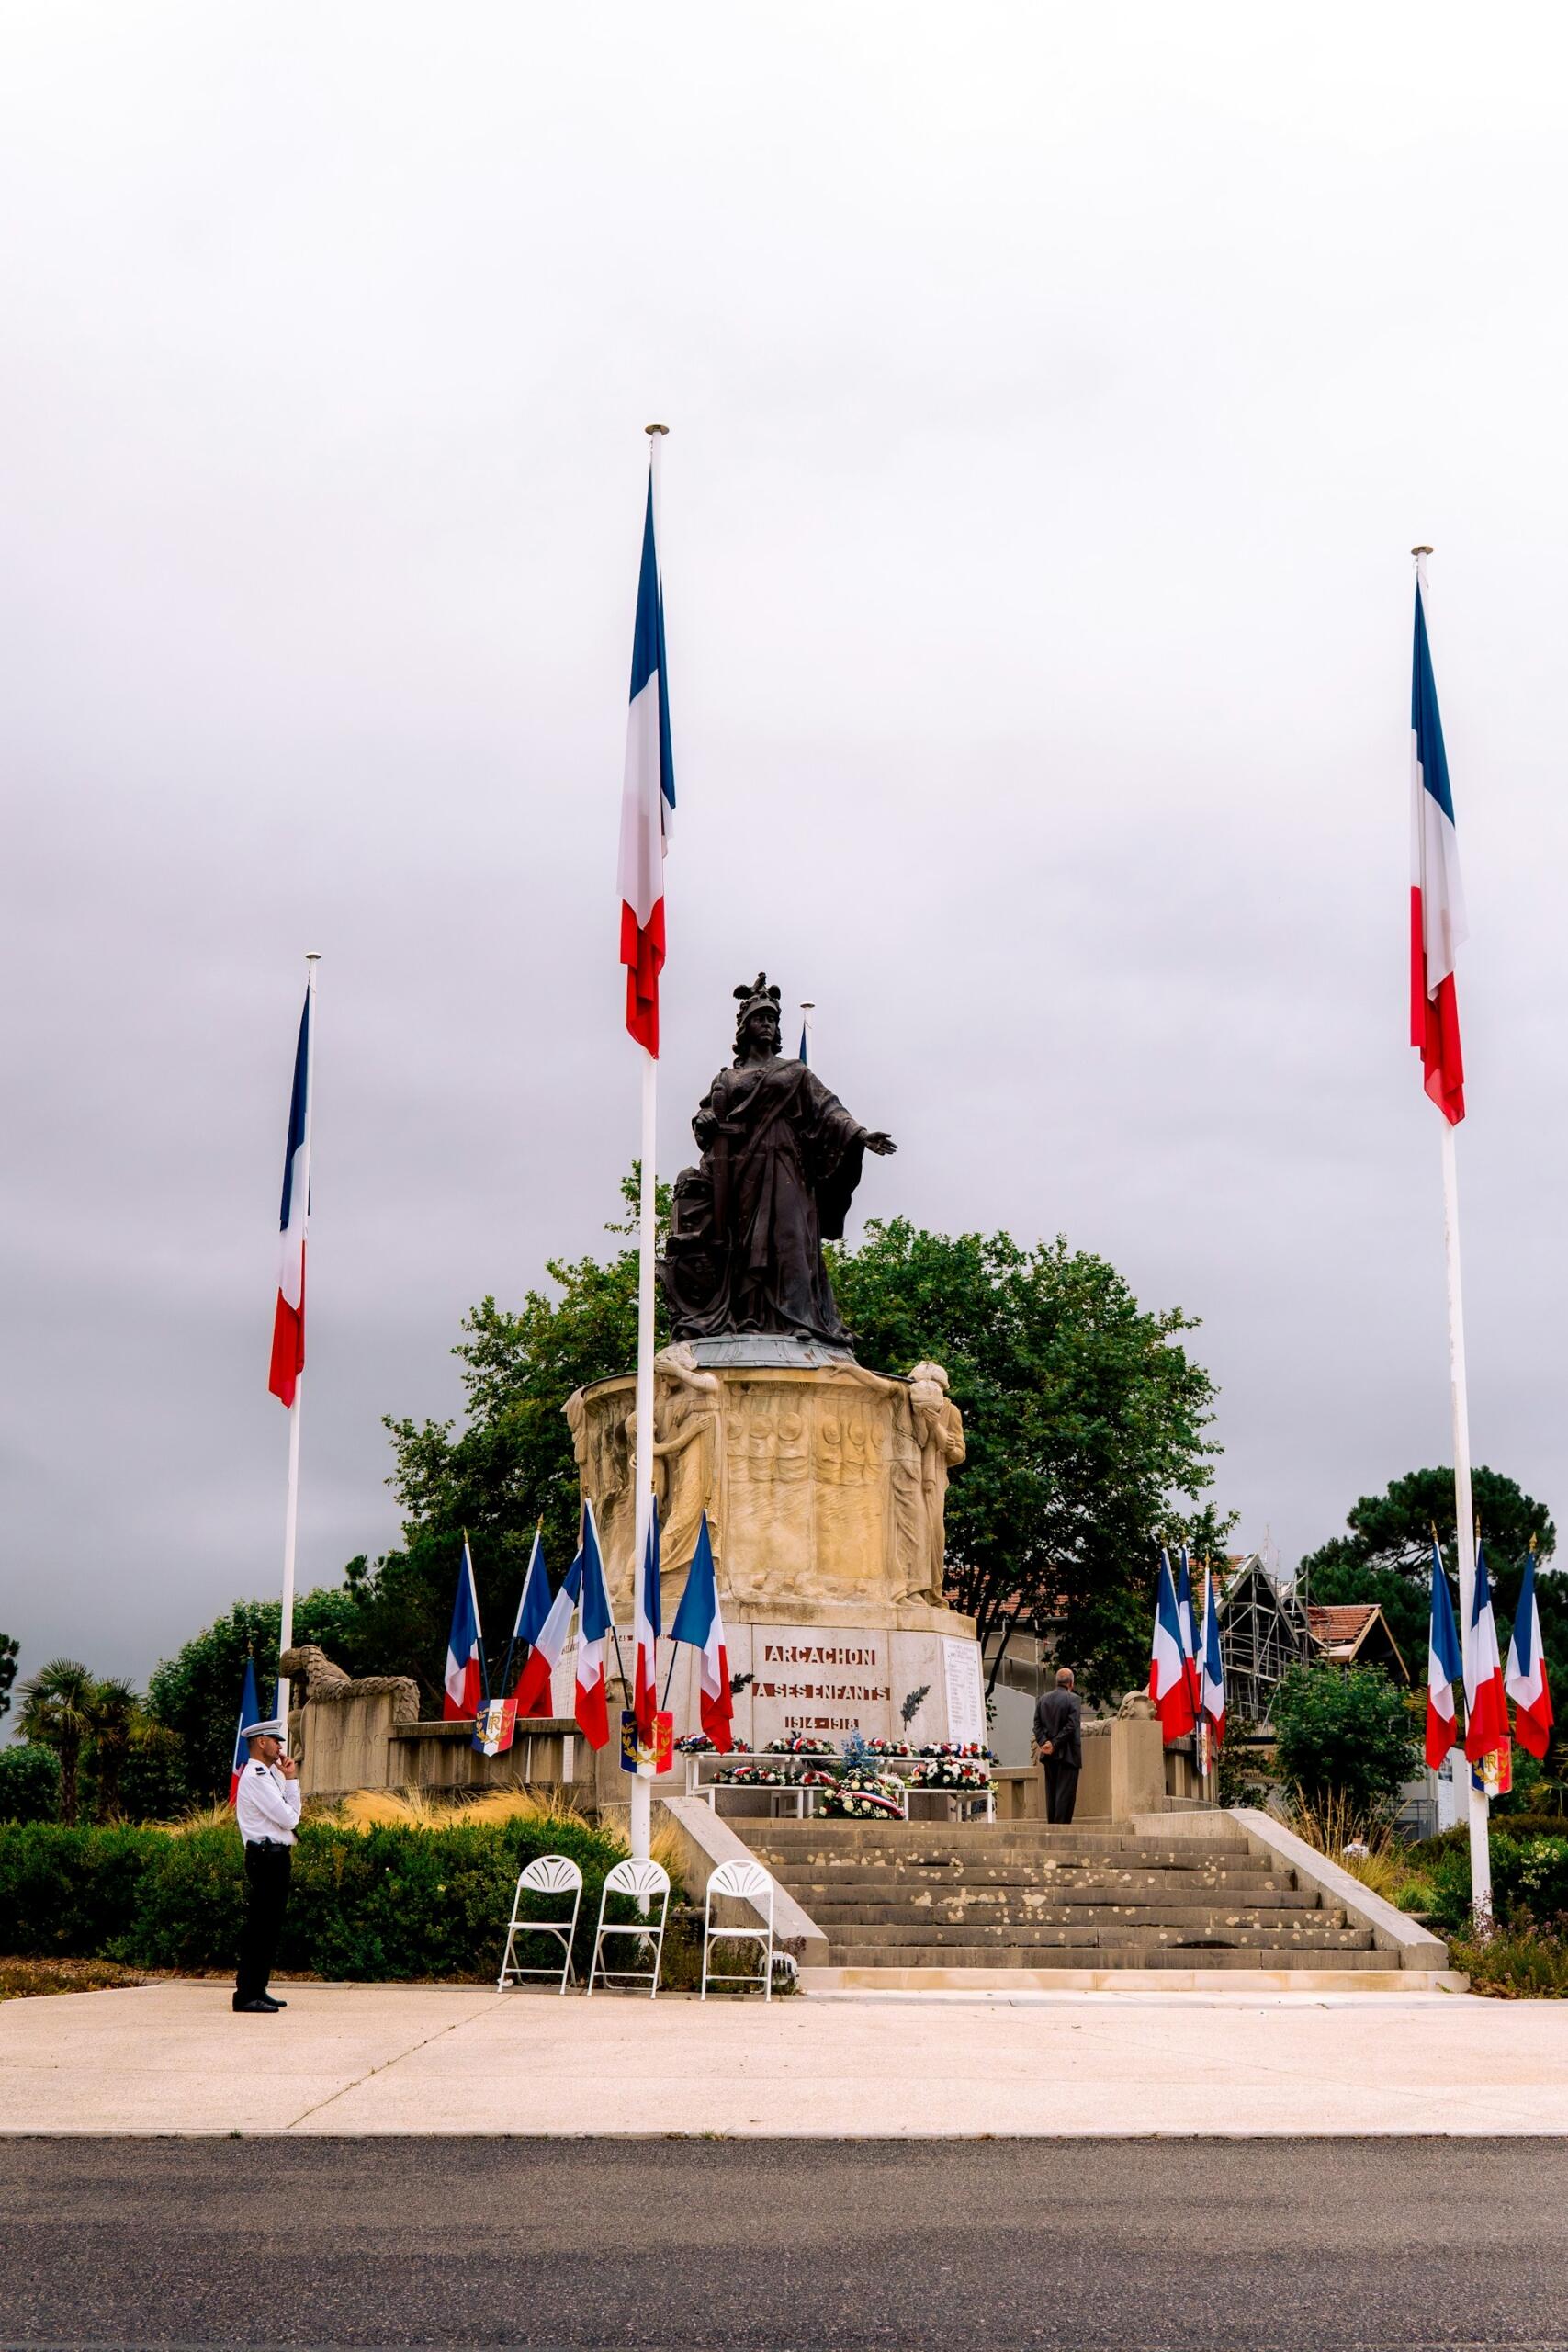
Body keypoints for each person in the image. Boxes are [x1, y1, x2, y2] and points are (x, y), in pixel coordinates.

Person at [232, 1715, 299, 2014]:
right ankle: (246, 1994)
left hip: (275, 1857)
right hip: (265, 1857)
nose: (280, 1746)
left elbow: (291, 1815)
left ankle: (257, 1988)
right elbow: (289, 1818)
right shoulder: (257, 1777)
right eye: (276, 1741)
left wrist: (291, 1781)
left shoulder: (268, 1774)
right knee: (260, 1928)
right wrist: (290, 1787)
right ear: (262, 1743)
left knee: (268, 1928)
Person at [1032, 1667, 1082, 1825]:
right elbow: (1071, 1725)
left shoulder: (1043, 1699)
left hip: (1049, 1755)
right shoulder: (1073, 1699)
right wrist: (1054, 1744)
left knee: (1052, 1793)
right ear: (1071, 1683)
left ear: (1057, 1682)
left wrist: (1044, 1743)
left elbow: (1037, 1724)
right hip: (1068, 1754)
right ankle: (1062, 1830)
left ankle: (1052, 1827)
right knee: (1065, 1795)